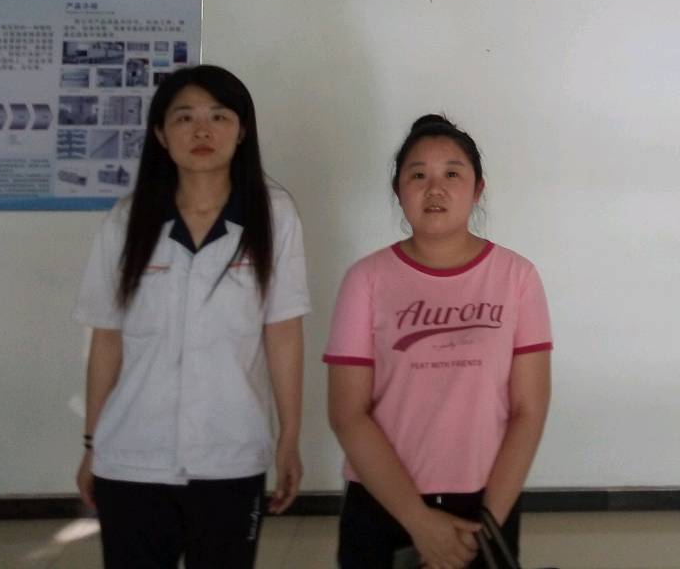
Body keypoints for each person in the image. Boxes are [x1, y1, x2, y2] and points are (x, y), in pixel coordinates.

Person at [73, 64, 310, 568]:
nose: (202, 130)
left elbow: (283, 331)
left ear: (242, 131)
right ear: (160, 134)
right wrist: (93, 444)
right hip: (132, 454)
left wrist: (289, 437)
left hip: (231, 452)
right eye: (184, 117)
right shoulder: (126, 219)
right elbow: (107, 339)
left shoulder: (274, 215)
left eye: (219, 116)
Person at [325, 114, 553, 569]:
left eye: (452, 173)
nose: (435, 188)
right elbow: (348, 413)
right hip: (383, 502)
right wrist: (420, 523)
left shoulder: (517, 277)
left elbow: (529, 410)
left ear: (478, 189)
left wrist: (485, 526)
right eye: (418, 175)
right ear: (398, 191)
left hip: (485, 505)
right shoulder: (366, 279)